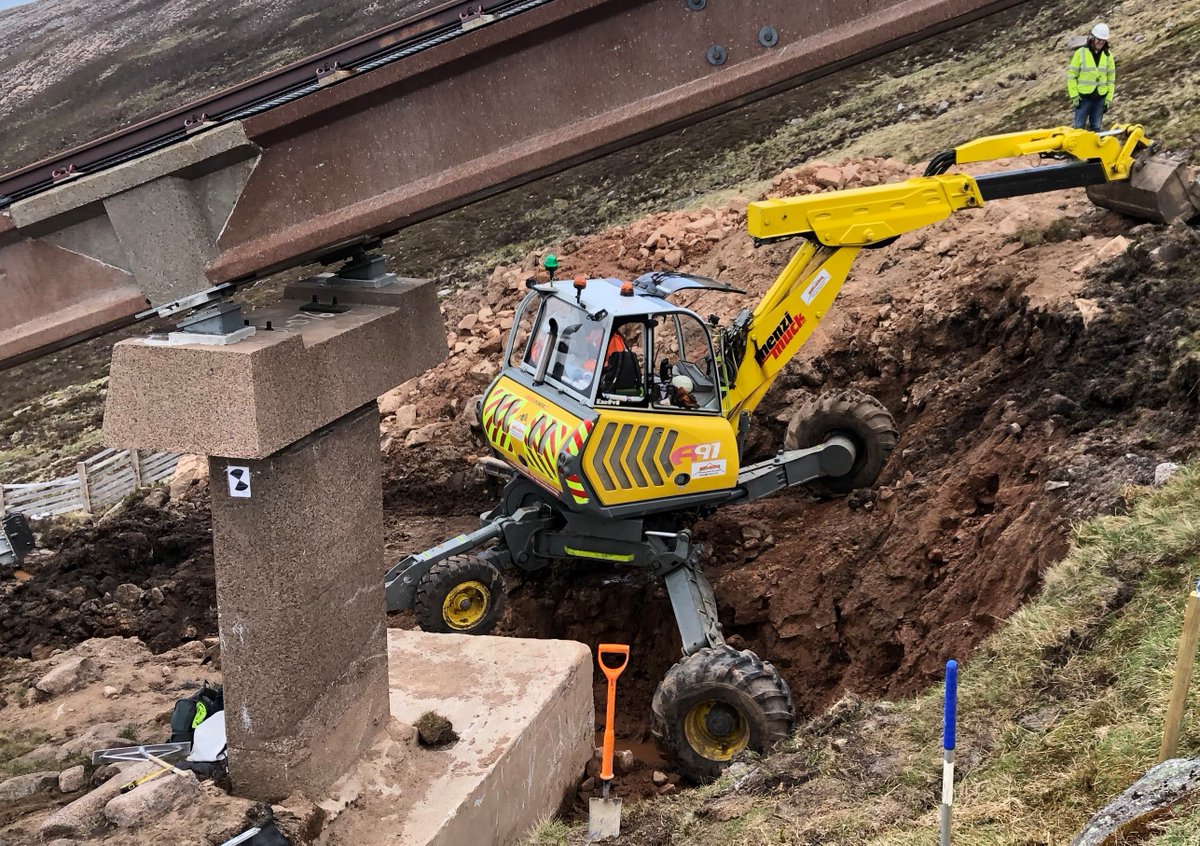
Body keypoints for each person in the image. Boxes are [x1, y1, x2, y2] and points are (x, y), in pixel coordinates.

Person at [1068, 23, 1115, 131]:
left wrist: (1108, 99)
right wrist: (1074, 95)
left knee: (1096, 128)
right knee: (1079, 128)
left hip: (1100, 98)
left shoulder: (1108, 56)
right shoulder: (1080, 53)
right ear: (1093, 38)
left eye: (1103, 41)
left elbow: (1111, 79)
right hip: (1083, 98)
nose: (1101, 43)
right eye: (1099, 40)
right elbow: (1072, 77)